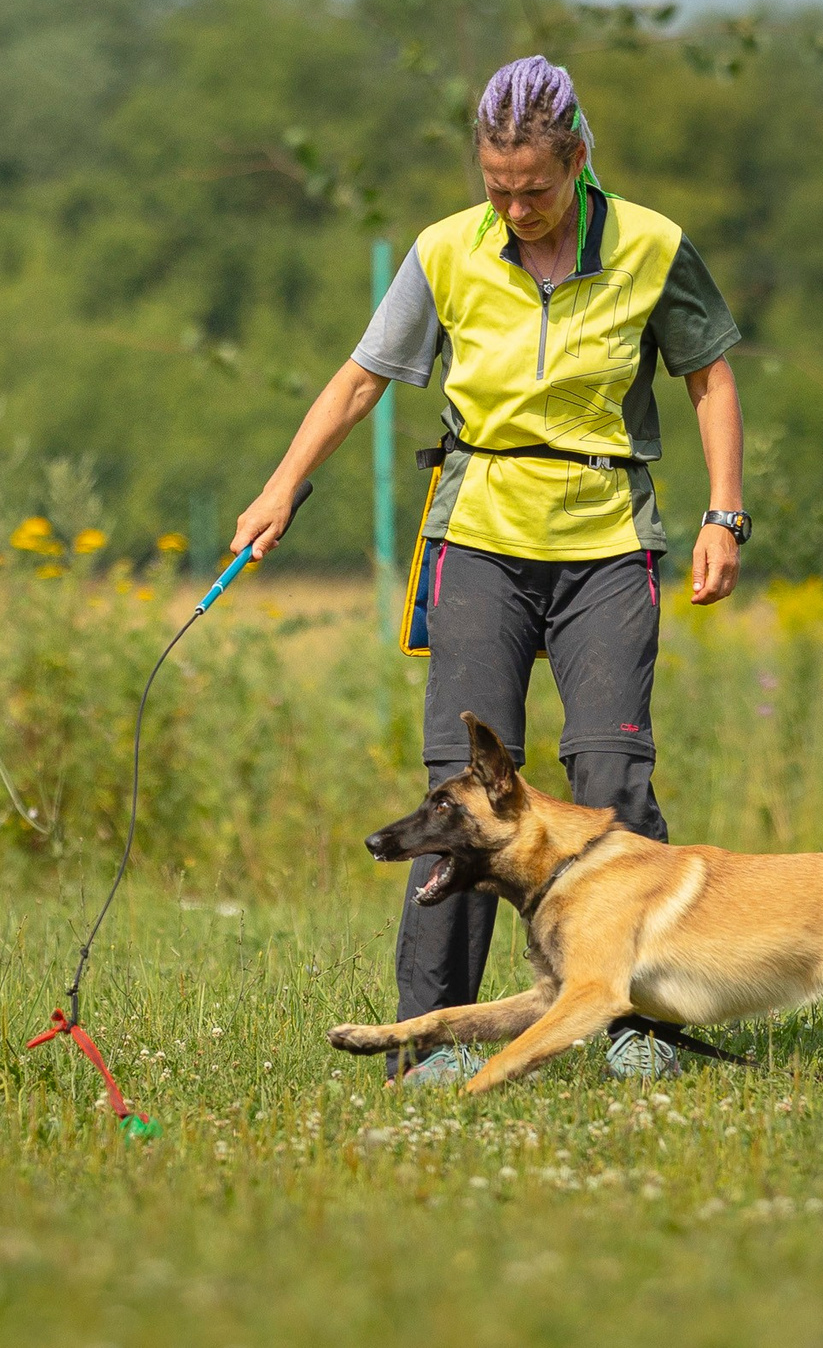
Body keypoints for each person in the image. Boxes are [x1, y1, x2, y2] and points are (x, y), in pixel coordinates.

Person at [232, 56, 748, 1084]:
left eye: (535, 188)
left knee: (610, 775)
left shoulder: (651, 244)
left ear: (577, 159)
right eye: (497, 186)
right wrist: (282, 484)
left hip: (607, 540)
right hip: (478, 539)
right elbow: (360, 379)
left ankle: (636, 1024)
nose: (515, 207)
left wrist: (723, 514)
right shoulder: (444, 251)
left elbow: (710, 377)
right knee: (463, 794)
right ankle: (428, 1038)